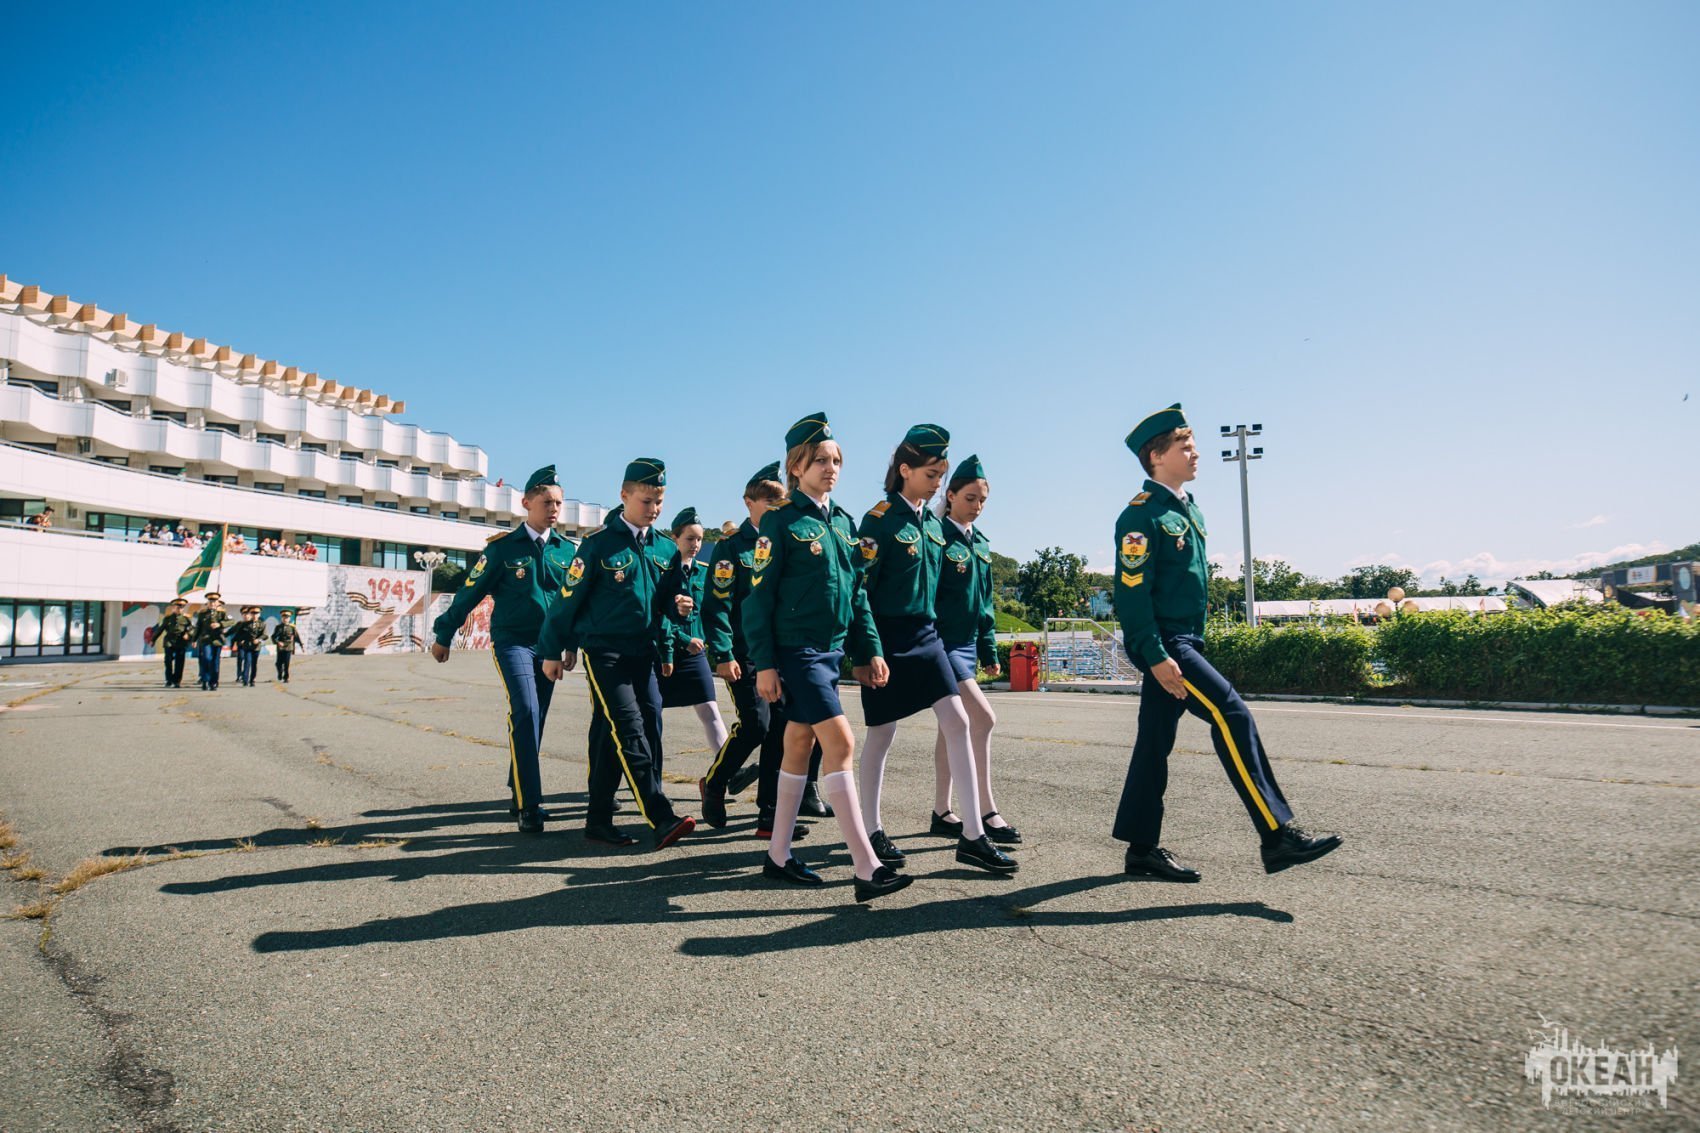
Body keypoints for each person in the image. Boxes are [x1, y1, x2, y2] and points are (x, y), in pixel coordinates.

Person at [1113, 404, 1343, 880]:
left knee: (1153, 743)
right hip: (1168, 644)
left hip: (1186, 640)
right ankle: (1276, 836)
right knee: (1232, 714)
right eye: (1185, 445)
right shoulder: (1140, 516)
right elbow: (1132, 596)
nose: (1195, 452)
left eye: (1193, 444)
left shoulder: (1188, 509)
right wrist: (1155, 655)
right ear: (1157, 456)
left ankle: (1141, 849)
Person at [744, 413, 911, 902]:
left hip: (829, 652)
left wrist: (869, 649)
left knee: (798, 743)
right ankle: (867, 866)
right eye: (820, 460)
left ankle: (778, 856)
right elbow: (757, 600)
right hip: (796, 651)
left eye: (836, 461)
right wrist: (765, 664)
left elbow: (857, 594)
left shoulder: (842, 523)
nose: (830, 468)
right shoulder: (779, 522)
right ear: (796, 467)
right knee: (840, 743)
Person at [852, 426, 1016, 876]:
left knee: (959, 721)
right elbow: (859, 588)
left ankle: (973, 836)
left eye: (941, 475)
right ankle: (871, 829)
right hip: (887, 637)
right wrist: (865, 651)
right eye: (931, 474)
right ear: (905, 470)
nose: (937, 483)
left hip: (928, 636)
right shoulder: (880, 520)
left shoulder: (931, 524)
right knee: (882, 734)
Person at [538, 458, 697, 851]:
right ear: (624, 495)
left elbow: (666, 600)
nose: (654, 509)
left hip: (644, 652)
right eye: (646, 501)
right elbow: (566, 602)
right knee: (628, 727)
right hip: (605, 652)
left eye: (659, 501)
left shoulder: (666, 548)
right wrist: (552, 650)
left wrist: (677, 610)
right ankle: (660, 816)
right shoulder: (598, 545)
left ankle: (597, 821)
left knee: (628, 729)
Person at [431, 465, 577, 834]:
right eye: (547, 502)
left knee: (536, 718)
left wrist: (571, 644)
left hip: (549, 647)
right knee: (525, 710)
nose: (554, 509)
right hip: (513, 642)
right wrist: (444, 633)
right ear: (527, 503)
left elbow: (572, 603)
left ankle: (519, 787)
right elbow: (470, 592)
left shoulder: (566, 551)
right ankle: (530, 804)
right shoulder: (502, 549)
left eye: (558, 503)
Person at [697, 465, 829, 839]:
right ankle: (715, 782)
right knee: (757, 724)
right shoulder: (731, 547)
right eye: (768, 501)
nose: (775, 507)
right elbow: (716, 605)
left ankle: (769, 814)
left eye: (779, 501)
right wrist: (724, 653)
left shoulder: (786, 539)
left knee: (781, 730)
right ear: (748, 503)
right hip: (743, 652)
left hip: (782, 649)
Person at [930, 454, 1020, 845]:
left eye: (982, 500)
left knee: (951, 728)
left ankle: (941, 811)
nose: (977, 506)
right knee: (982, 719)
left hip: (966, 646)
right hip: (940, 644)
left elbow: (985, 604)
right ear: (950, 495)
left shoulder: (980, 543)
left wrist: (989, 651)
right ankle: (985, 810)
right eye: (970, 498)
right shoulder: (936, 536)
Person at [656, 507, 730, 774]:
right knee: (651, 715)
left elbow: (711, 613)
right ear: (675, 538)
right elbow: (657, 614)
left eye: (699, 539)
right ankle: (649, 776)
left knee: (709, 708)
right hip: (662, 652)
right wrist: (683, 638)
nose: (696, 544)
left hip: (693, 654)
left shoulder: (704, 572)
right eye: (690, 538)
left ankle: (727, 770)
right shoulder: (662, 571)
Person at [152, 597, 194, 688]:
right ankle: (169, 680)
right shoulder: (168, 619)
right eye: (177, 607)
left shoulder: (186, 619)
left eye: (181, 607)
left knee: (179, 662)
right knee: (168, 661)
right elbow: (160, 629)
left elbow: (191, 629)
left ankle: (177, 681)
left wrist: (188, 634)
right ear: (173, 608)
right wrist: (153, 639)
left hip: (181, 642)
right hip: (169, 642)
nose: (179, 609)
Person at [192, 593, 230, 691]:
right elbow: (198, 627)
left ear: (217, 603)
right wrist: (194, 639)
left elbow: (231, 621)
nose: (212, 604)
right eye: (210, 602)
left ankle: (213, 682)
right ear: (208, 603)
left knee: (215, 662)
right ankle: (205, 680)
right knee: (206, 658)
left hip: (217, 640)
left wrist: (220, 624)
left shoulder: (222, 613)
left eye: (214, 602)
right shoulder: (202, 613)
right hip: (206, 640)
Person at [231, 606, 266, 686]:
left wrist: (258, 640)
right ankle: (245, 680)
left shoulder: (262, 624)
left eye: (256, 613)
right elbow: (238, 634)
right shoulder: (244, 624)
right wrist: (239, 641)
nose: (254, 615)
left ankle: (252, 679)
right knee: (247, 662)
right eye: (253, 613)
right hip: (247, 646)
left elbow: (265, 635)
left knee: (254, 664)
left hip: (256, 647)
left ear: (259, 614)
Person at [272, 609, 300, 682]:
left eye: (287, 618)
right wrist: (278, 642)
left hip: (288, 647)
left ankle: (286, 677)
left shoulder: (292, 627)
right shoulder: (278, 627)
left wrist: (301, 644)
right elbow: (273, 637)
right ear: (282, 618)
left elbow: (297, 636)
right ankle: (280, 673)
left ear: (289, 618)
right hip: (280, 648)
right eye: (284, 617)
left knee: (286, 663)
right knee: (278, 663)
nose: (285, 619)